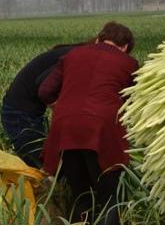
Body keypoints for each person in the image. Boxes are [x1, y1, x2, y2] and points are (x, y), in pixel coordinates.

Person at [38, 21, 138, 224]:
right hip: (102, 132)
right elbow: (135, 101)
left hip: (66, 130)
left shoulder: (71, 55)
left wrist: (66, 109)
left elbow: (45, 91)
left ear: (99, 38)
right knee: (109, 197)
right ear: (126, 46)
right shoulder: (129, 63)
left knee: (80, 195)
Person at [1, 42, 86, 168]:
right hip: (19, 112)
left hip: (24, 109)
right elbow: (43, 85)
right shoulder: (77, 56)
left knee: (42, 159)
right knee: (38, 163)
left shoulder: (76, 52)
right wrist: (59, 108)